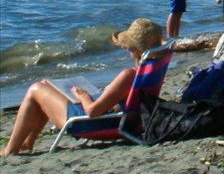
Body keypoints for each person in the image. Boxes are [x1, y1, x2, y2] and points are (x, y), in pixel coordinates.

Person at [1, 18, 164, 157]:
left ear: (134, 48)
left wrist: (83, 95)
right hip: (123, 120)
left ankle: (11, 149)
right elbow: (128, 99)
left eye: (127, 45)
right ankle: (27, 143)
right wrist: (106, 94)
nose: (124, 47)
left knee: (35, 89)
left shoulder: (128, 75)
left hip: (93, 123)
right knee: (45, 85)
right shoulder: (152, 68)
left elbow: (93, 112)